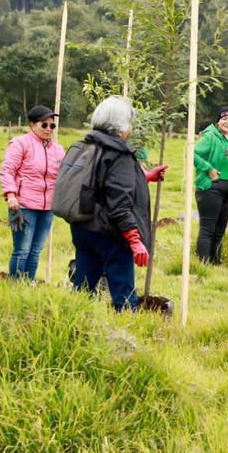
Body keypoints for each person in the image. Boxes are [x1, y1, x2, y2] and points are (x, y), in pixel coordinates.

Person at [68, 96, 167, 310]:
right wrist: (134, 239)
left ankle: (70, 325)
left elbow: (101, 184)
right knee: (123, 294)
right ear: (121, 126)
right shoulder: (119, 154)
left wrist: (146, 176)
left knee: (83, 288)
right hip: (110, 234)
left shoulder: (88, 146)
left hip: (84, 228)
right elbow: (119, 202)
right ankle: (124, 336)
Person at [0, 105, 65, 281]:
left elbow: (63, 175)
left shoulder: (58, 150)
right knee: (22, 250)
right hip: (24, 206)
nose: (49, 129)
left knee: (36, 251)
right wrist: (11, 195)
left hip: (48, 207)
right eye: (44, 125)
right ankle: (16, 287)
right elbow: (7, 170)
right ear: (32, 124)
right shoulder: (20, 144)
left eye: (52, 125)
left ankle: (28, 286)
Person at [192, 106, 228, 264]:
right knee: (208, 228)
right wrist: (209, 169)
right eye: (225, 119)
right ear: (218, 121)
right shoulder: (210, 136)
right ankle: (203, 262)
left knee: (220, 229)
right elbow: (191, 154)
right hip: (211, 187)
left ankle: (216, 261)